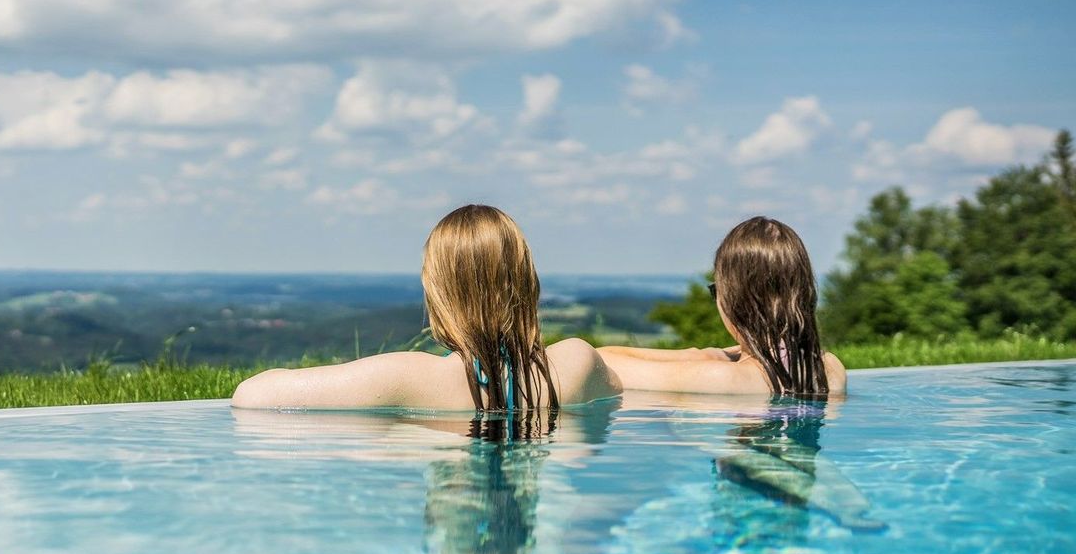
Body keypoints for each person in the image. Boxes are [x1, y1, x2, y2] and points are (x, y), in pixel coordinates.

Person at [232, 204, 623, 410]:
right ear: (527, 281)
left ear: (438, 291)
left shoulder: (406, 378)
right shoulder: (575, 364)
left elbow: (251, 396)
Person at [598, 216, 846, 398]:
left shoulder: (723, 379)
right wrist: (712, 353)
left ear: (734, 299)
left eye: (715, 290)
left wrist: (700, 355)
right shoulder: (830, 370)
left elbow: (600, 362)